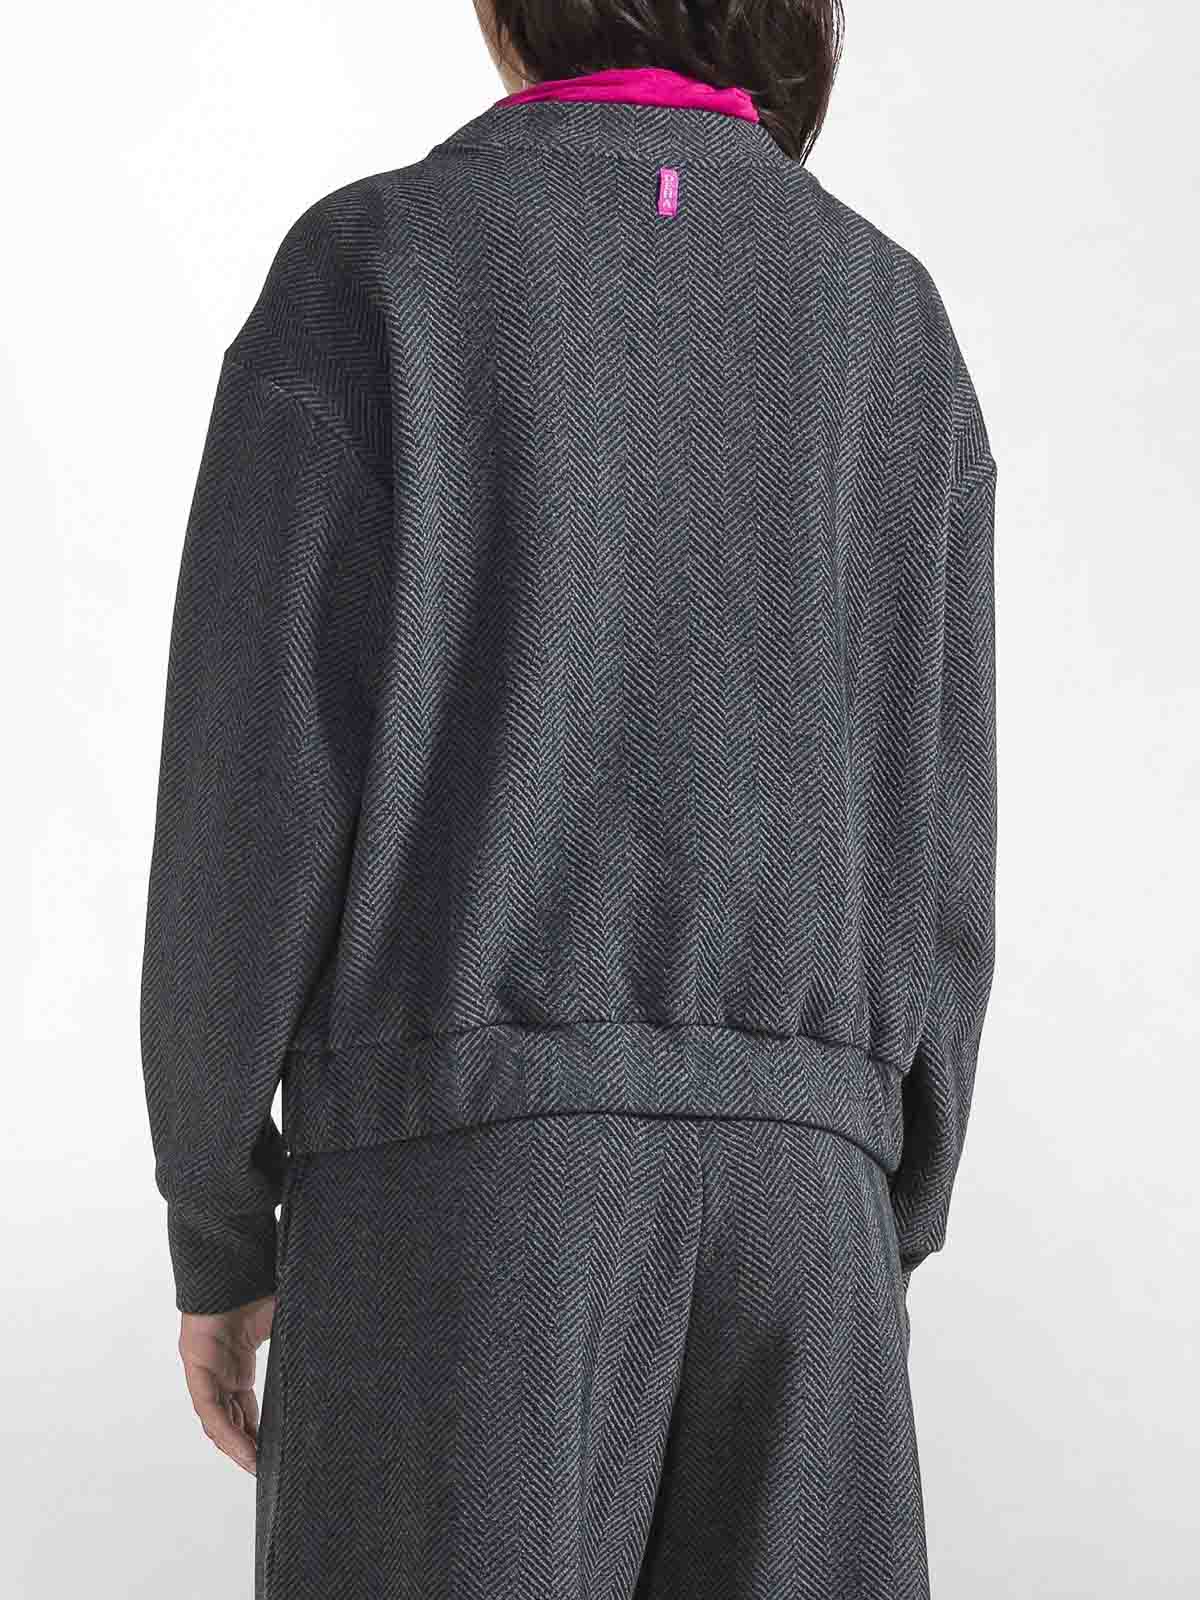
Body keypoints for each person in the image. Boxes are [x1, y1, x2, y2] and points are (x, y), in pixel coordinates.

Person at [139, 2, 999, 1595]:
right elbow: (940, 825)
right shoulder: (888, 316)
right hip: (804, 1212)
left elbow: (245, 796)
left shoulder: (377, 269)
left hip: (462, 1197)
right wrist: (878, 1196)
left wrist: (219, 1217)